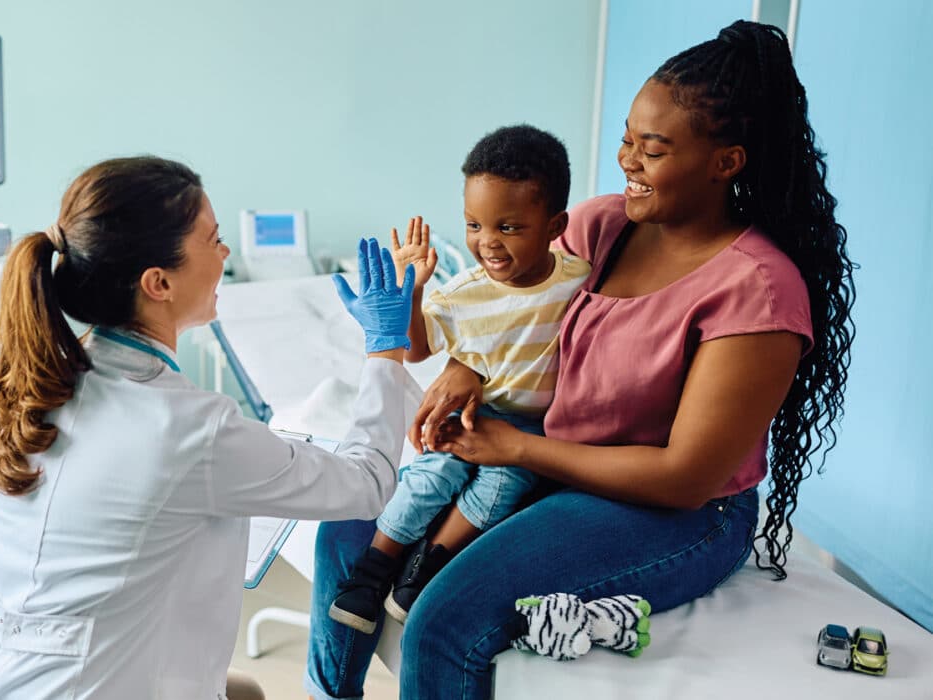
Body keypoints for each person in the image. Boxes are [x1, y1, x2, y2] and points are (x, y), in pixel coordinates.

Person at [305, 20, 854, 699]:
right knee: (344, 531)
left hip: (673, 510)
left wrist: (517, 450)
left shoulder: (758, 291)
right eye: (626, 138)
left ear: (726, 162)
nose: (627, 160)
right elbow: (513, 311)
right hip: (548, 459)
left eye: (650, 150)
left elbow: (685, 477)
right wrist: (466, 366)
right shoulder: (603, 226)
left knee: (444, 621)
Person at [0, 156, 420, 699]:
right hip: (91, 686)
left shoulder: (25, 386)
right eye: (212, 240)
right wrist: (385, 348)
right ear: (158, 282)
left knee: (245, 693)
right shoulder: (188, 428)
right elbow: (368, 483)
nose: (225, 252)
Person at [328, 126, 591, 634]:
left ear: (555, 224)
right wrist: (413, 295)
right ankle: (373, 569)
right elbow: (419, 347)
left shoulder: (578, 279)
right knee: (432, 475)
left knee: (501, 487)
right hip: (477, 410)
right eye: (473, 224)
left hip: (531, 428)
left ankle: (426, 565)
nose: (486, 242)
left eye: (509, 227)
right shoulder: (467, 291)